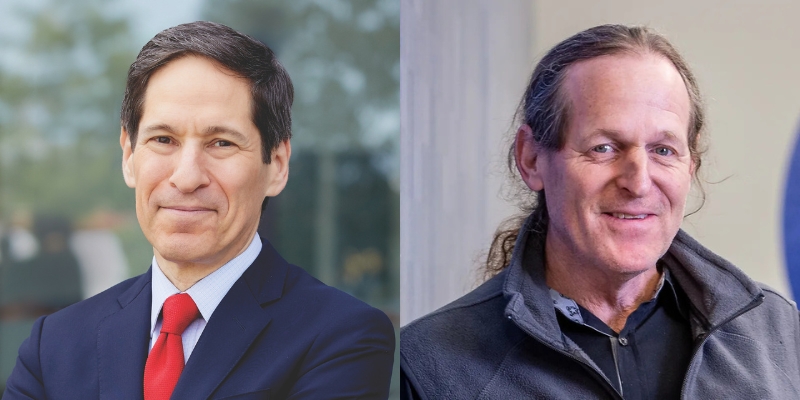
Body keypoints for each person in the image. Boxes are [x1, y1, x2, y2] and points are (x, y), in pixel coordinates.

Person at [400, 24, 800, 399]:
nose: (638, 182)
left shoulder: (775, 331)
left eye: (663, 150)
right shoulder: (425, 368)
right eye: (603, 148)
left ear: (690, 164)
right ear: (532, 158)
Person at [4, 21, 395, 400]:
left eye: (221, 143)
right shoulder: (53, 345)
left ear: (276, 165)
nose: (187, 177)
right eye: (163, 139)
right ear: (128, 156)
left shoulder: (341, 337)